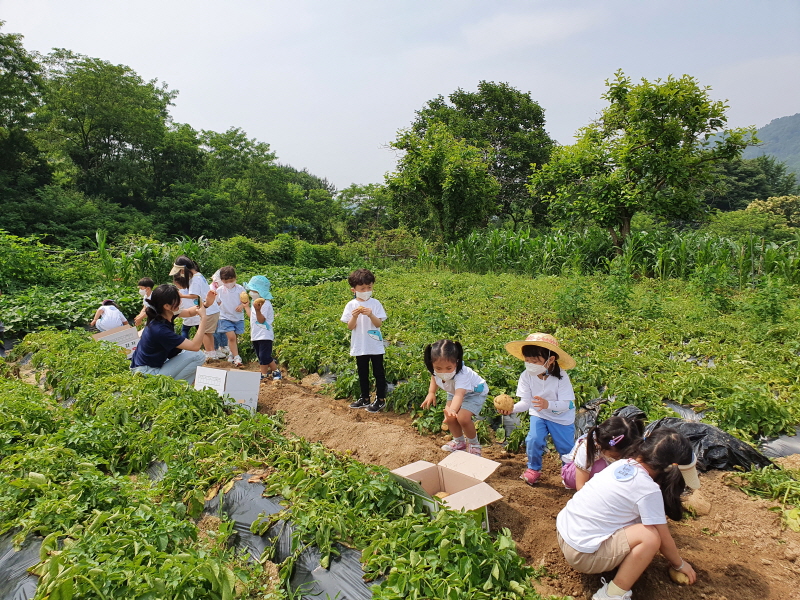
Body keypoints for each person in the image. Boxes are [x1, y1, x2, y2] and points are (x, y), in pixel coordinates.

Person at [556, 427, 700, 600]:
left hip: (564, 532)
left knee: (638, 521)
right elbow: (664, 538)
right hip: (582, 556)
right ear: (670, 469)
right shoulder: (649, 490)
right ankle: (612, 594)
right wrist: (679, 564)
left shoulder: (622, 464)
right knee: (650, 537)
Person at [497, 333, 577, 486]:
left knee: (566, 448)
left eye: (535, 361)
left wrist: (548, 405)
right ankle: (533, 469)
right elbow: (526, 403)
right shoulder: (526, 376)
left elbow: (567, 404)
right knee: (533, 439)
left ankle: (570, 473)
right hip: (539, 413)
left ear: (550, 359)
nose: (530, 364)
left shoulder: (561, 377)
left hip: (561, 417)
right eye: (527, 360)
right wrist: (511, 409)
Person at [421, 339, 488, 456]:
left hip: (474, 392)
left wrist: (453, 409)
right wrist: (431, 392)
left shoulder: (462, 375)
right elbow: (434, 377)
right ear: (432, 364)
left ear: (456, 362)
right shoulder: (435, 370)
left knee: (463, 418)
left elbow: (459, 394)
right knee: (449, 418)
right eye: (439, 368)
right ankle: (459, 442)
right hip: (454, 391)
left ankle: (474, 445)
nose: (444, 372)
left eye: (449, 368)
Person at [130, 284, 208, 384]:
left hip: (144, 367)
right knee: (198, 355)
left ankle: (176, 385)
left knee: (186, 351)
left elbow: (189, 312)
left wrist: (206, 304)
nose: (181, 302)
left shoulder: (161, 315)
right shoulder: (160, 330)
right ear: (166, 306)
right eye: (178, 300)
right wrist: (203, 319)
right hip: (147, 373)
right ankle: (177, 386)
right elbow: (195, 346)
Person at [341, 268, 387, 413]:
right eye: (362, 288)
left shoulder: (375, 303)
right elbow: (350, 327)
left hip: (375, 344)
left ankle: (380, 399)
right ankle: (365, 398)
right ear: (353, 290)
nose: (366, 291)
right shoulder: (351, 305)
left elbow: (378, 324)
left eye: (369, 287)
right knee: (363, 372)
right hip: (360, 345)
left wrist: (371, 315)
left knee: (378, 372)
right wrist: (354, 316)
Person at [561, 416, 641, 490]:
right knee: (601, 466)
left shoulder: (632, 445)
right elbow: (580, 486)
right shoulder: (587, 447)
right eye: (616, 456)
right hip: (577, 476)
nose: (620, 458)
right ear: (603, 446)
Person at [169, 256, 220, 359]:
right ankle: (212, 353)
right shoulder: (198, 275)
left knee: (204, 333)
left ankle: (209, 353)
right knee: (208, 333)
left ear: (183, 269)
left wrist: (181, 295)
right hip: (212, 309)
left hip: (208, 310)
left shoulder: (195, 279)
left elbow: (194, 295)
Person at [245, 275, 281, 381]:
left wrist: (257, 310)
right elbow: (252, 317)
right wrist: (246, 306)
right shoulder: (255, 303)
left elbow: (261, 320)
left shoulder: (265, 304)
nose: (251, 292)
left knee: (265, 356)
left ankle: (273, 371)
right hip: (256, 334)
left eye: (253, 290)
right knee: (261, 357)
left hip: (265, 334)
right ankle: (266, 373)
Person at [214, 265, 247, 366]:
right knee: (231, 337)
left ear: (235, 278)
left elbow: (245, 301)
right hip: (225, 317)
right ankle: (237, 357)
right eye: (226, 281)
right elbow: (217, 302)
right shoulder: (219, 290)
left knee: (234, 337)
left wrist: (241, 305)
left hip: (237, 317)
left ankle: (232, 354)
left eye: (231, 281)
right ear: (222, 280)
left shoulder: (240, 289)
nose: (228, 283)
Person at [173, 273, 199, 338]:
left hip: (187, 315)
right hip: (197, 314)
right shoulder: (192, 289)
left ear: (177, 283)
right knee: (200, 331)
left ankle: (185, 343)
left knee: (184, 330)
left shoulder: (179, 292)